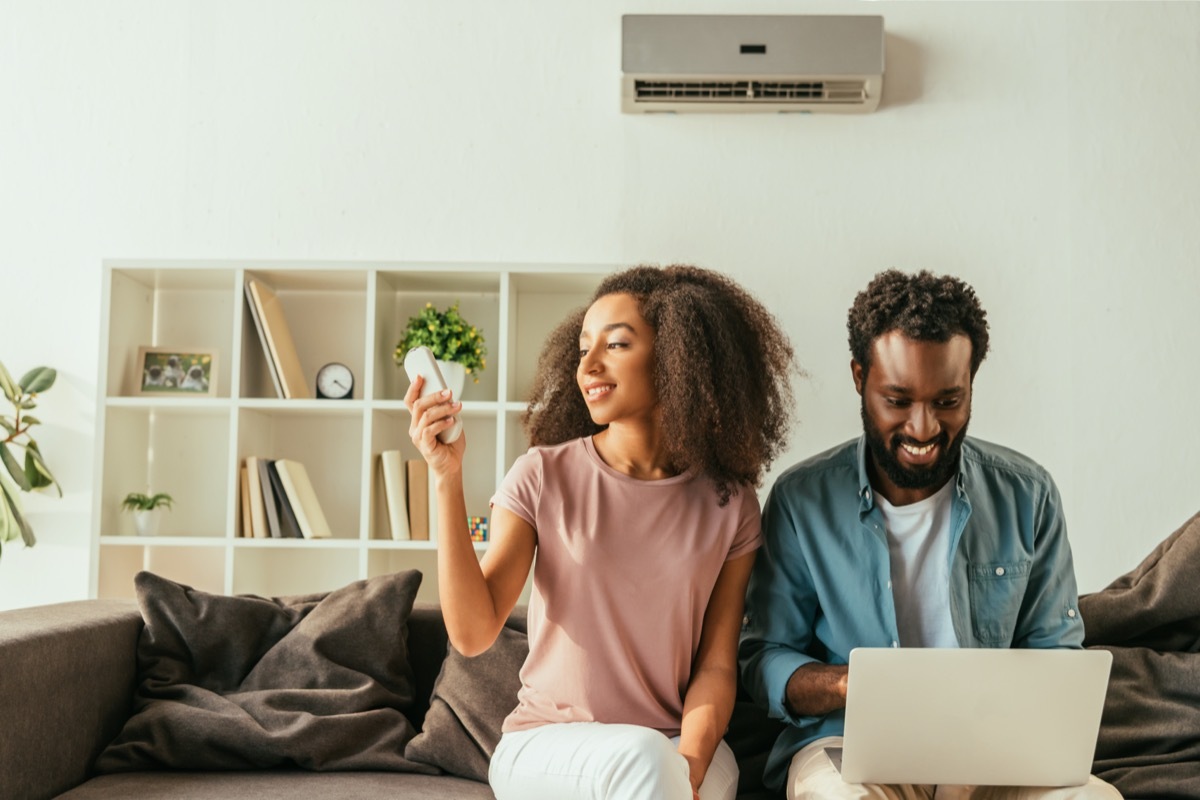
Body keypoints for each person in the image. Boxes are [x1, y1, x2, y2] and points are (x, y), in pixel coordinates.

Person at [406, 265, 796, 800]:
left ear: (679, 358)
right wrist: (446, 478)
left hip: (674, 746)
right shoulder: (543, 474)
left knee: (659, 764)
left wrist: (690, 767)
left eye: (615, 345)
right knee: (645, 762)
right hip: (548, 744)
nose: (588, 365)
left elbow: (716, 666)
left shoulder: (730, 504)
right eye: (583, 347)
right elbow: (472, 633)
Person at [739, 270, 1122, 800]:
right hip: (848, 751)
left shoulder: (1028, 494)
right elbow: (765, 657)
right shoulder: (802, 500)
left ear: (970, 383)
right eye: (897, 401)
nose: (923, 428)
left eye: (947, 401)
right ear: (859, 377)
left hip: (996, 756)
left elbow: (1056, 653)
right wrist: (853, 687)